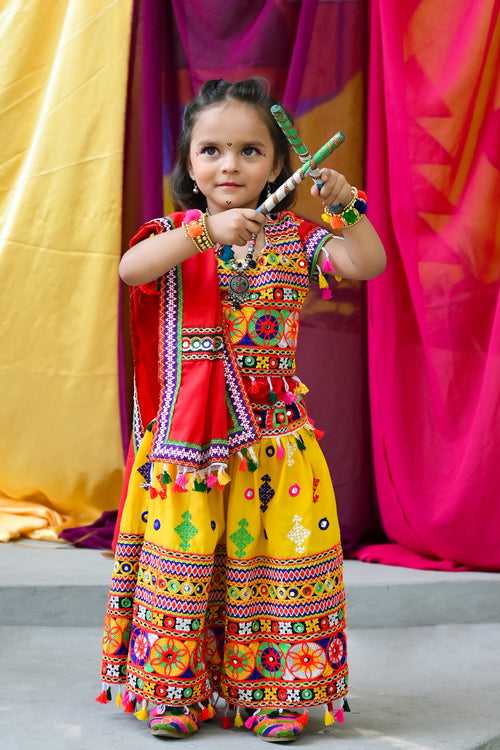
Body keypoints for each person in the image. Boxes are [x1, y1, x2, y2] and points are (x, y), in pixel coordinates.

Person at [97, 78, 386, 742]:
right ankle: (173, 689)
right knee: (185, 563)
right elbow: (131, 271)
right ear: (190, 164)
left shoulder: (297, 240)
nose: (230, 165)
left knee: (271, 568)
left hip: (273, 444)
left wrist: (349, 210)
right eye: (213, 150)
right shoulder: (175, 234)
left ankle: (273, 693)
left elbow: (365, 262)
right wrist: (205, 235)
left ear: (280, 165)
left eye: (251, 151)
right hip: (188, 447)